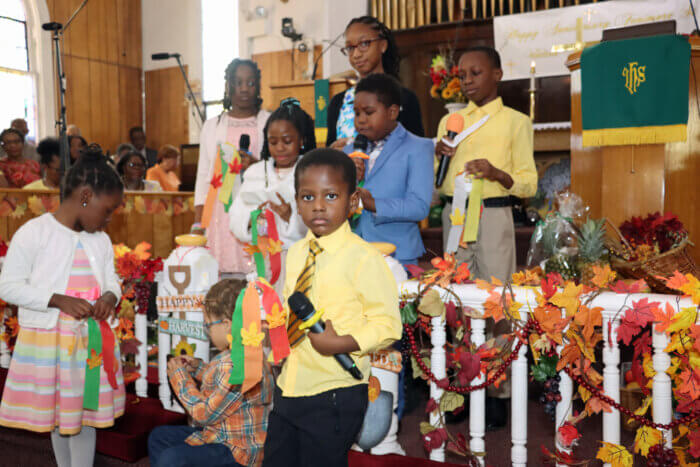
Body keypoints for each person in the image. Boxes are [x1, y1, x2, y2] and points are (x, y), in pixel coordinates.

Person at [262, 148, 402, 467]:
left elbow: (387, 326)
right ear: (296, 203)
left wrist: (341, 343)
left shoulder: (364, 259)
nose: (319, 206)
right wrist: (273, 333)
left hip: (335, 390)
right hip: (290, 384)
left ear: (352, 202)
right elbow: (289, 307)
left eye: (331, 195)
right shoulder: (296, 253)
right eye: (308, 197)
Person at [0, 145, 125, 467]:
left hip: (89, 344)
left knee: (84, 415)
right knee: (62, 416)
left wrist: (109, 297)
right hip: (50, 343)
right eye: (107, 210)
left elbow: (112, 279)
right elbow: (8, 285)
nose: (109, 218)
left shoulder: (101, 240)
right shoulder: (35, 233)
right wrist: (56, 299)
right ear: (85, 196)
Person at [435, 46, 537, 430]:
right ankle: (460, 387)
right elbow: (439, 179)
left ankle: (498, 391)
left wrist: (496, 172)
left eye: (476, 72)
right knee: (456, 302)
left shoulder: (515, 122)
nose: (468, 80)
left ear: (497, 73)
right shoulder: (453, 120)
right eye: (462, 74)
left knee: (497, 301)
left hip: (493, 215)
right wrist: (440, 154)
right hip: (456, 217)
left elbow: (527, 183)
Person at [148, 279, 273, 467]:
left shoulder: (235, 364)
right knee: (159, 437)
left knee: (172, 459)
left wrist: (179, 377)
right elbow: (222, 385)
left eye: (208, 325)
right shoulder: (244, 353)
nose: (208, 331)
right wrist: (198, 368)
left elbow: (203, 414)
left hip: (236, 452)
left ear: (227, 324)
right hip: (219, 435)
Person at [343, 73, 433, 266]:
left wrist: (374, 203)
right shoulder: (349, 151)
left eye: (368, 112)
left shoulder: (418, 147)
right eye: (357, 113)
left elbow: (419, 207)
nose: (361, 120)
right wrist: (347, 182)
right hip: (352, 252)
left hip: (397, 254)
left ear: (392, 112)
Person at [193, 58, 270, 277]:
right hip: (220, 206)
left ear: (258, 86)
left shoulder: (268, 121)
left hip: (256, 204)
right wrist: (199, 221)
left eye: (250, 82)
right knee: (221, 273)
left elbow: (279, 167)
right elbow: (203, 176)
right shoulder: (213, 125)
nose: (244, 88)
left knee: (257, 272)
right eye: (238, 82)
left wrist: (255, 164)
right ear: (228, 86)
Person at [230, 98, 315, 292]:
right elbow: (235, 218)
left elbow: (321, 223)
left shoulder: (312, 171)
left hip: (299, 261)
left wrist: (290, 218)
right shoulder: (255, 172)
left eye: (287, 141)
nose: (279, 148)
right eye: (273, 142)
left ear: (301, 140)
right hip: (262, 260)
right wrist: (253, 219)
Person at [326, 16, 424, 148]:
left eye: (364, 44)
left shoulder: (404, 98)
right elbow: (329, 151)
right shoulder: (338, 102)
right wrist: (333, 152)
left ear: (383, 45)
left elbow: (417, 149)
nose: (356, 54)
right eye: (350, 48)